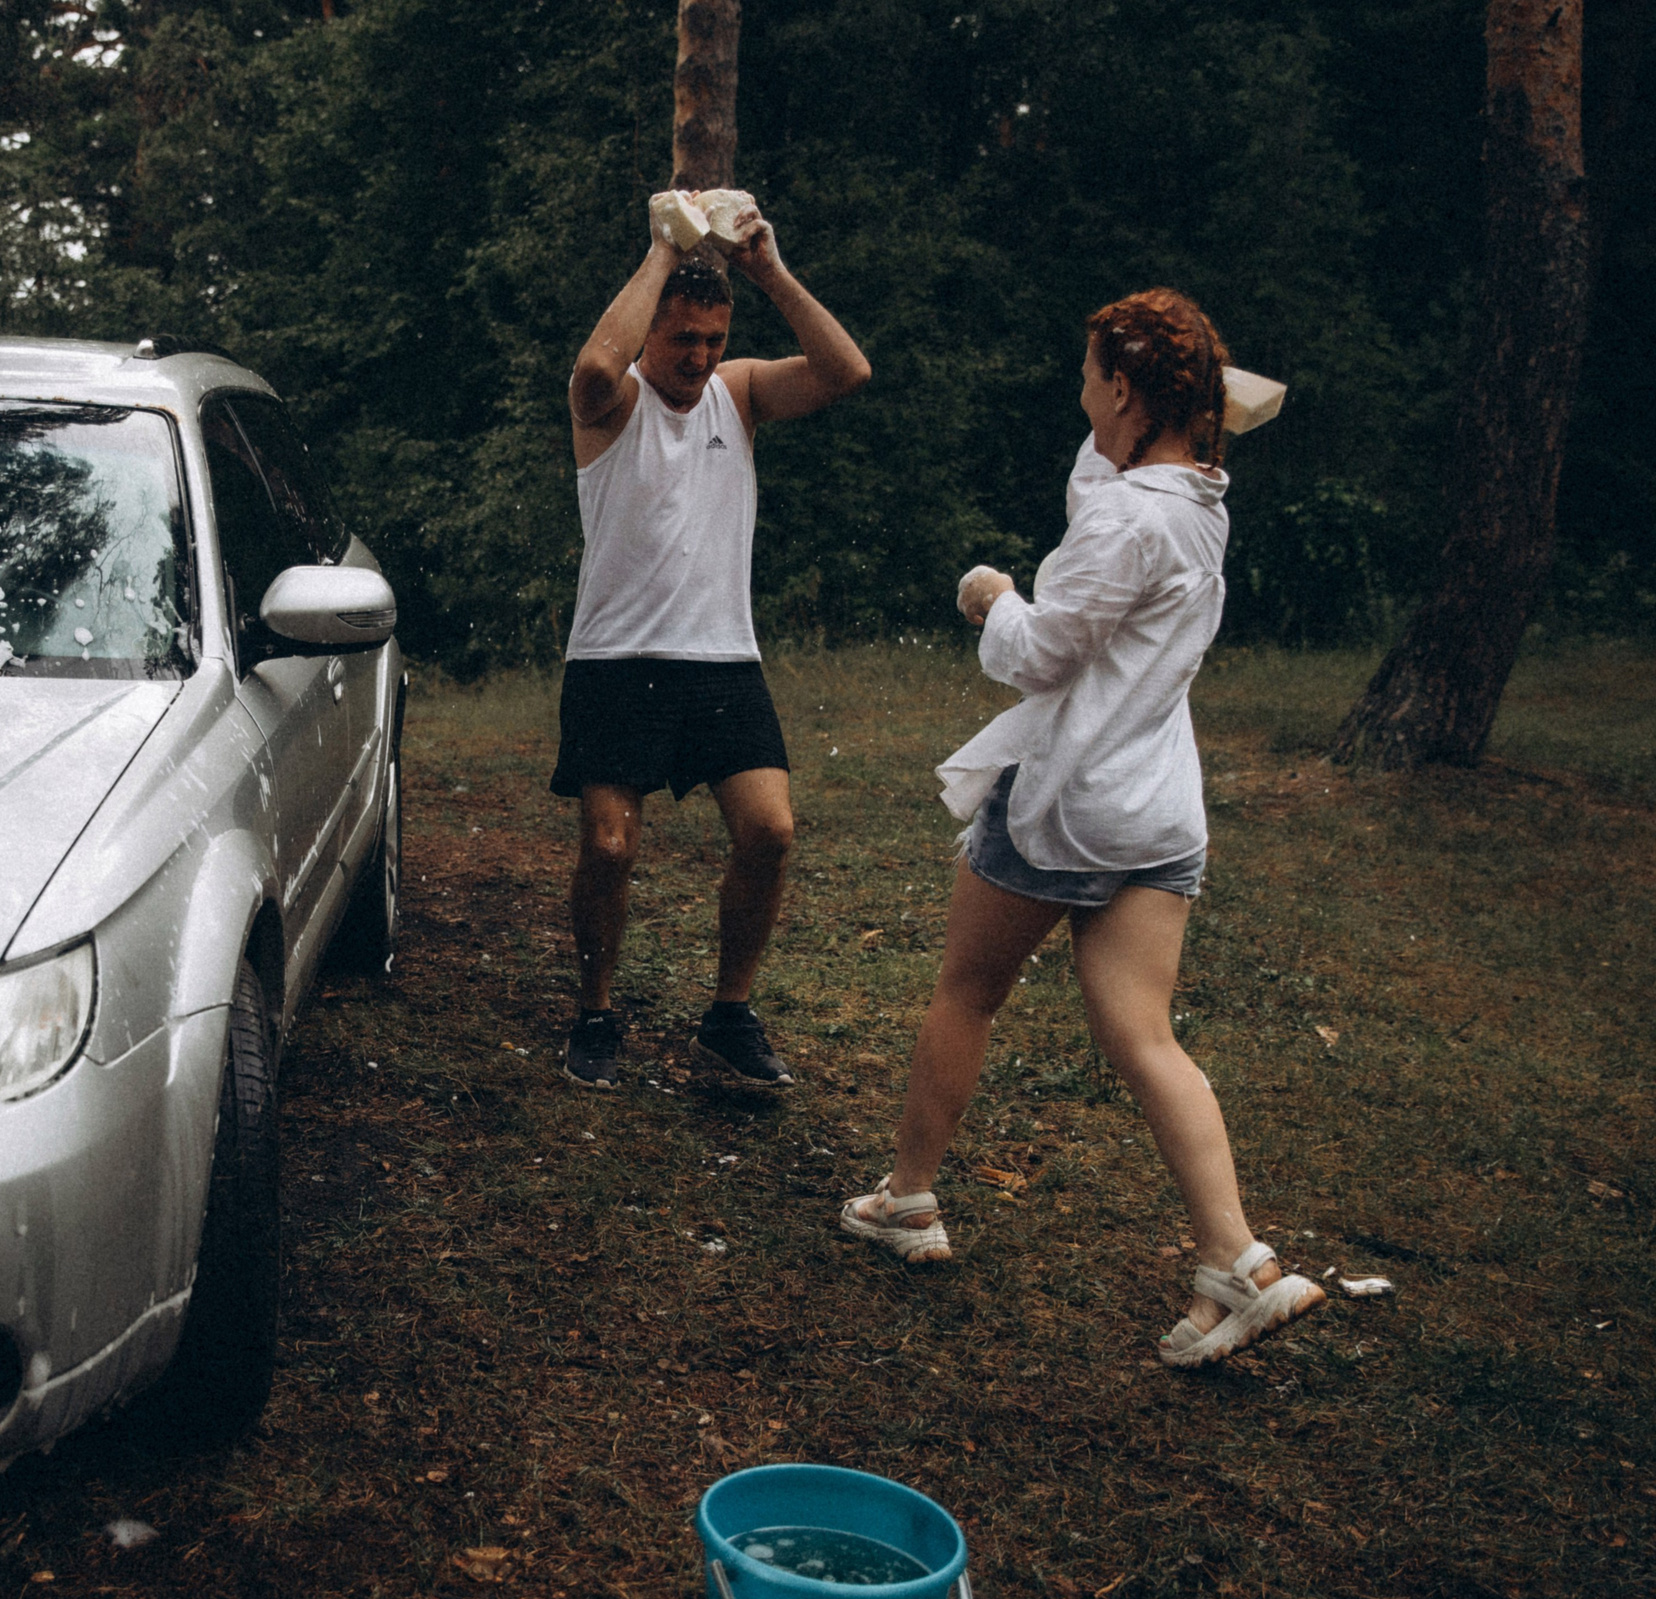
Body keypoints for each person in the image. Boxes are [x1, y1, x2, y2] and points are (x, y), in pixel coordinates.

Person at [838, 288, 1324, 1369]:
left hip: (1067, 806)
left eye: (1090, 373)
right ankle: (1236, 1263)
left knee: (967, 988)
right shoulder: (1200, 496)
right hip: (1156, 812)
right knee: (1144, 1039)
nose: (1078, 387)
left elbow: (1036, 655)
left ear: (1123, 389)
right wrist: (1182, 402)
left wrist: (991, 597)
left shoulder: (1125, 518)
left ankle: (908, 1198)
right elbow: (1099, 480)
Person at [556, 195, 870, 1090]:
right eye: (681, 338)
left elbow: (847, 371)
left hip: (723, 657)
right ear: (650, 329)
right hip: (614, 658)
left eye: (711, 339)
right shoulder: (609, 405)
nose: (697, 358)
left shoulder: (737, 394)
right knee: (611, 846)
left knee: (769, 830)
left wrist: (767, 267)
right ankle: (596, 1012)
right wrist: (662, 249)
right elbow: (591, 364)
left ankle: (728, 1016)